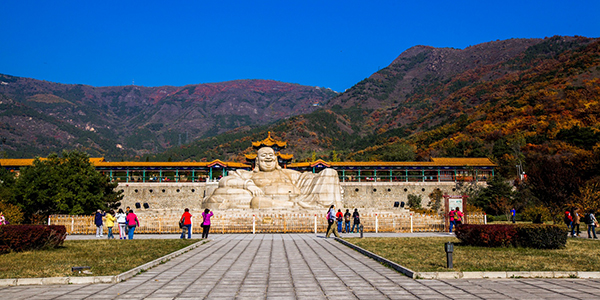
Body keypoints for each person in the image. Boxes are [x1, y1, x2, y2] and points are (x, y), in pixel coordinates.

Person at [204, 146, 342, 209]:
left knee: (329, 172)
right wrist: (248, 184)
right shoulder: (249, 174)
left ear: (276, 160)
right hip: (265, 200)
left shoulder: (287, 174)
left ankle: (305, 204)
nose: (268, 157)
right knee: (253, 200)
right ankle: (289, 205)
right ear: (257, 161)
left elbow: (306, 178)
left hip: (300, 198)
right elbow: (225, 180)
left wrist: (326, 177)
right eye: (264, 155)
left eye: (271, 155)